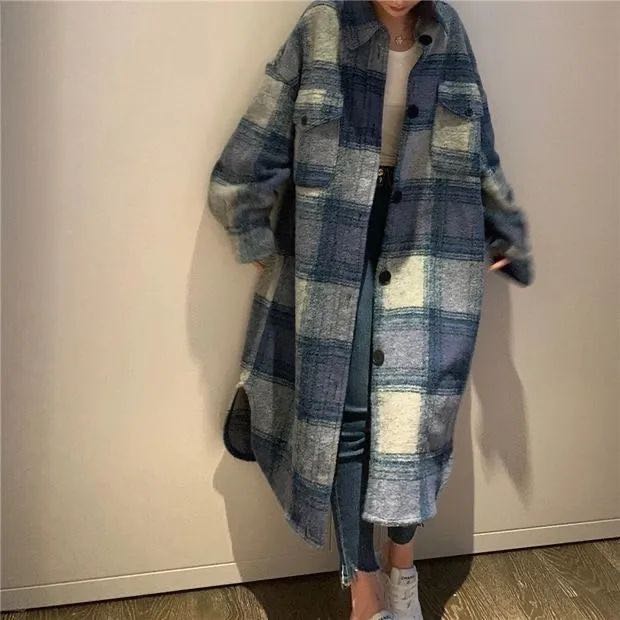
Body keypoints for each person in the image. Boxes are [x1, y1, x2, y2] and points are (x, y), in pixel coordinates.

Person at [208, 1, 534, 619]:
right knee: (348, 411)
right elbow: (258, 140)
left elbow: (480, 150)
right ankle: (363, 586)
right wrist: (251, 230)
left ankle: (401, 567)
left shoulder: (449, 33)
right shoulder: (321, 27)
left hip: (429, 236)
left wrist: (505, 230)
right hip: (336, 238)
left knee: (414, 415)